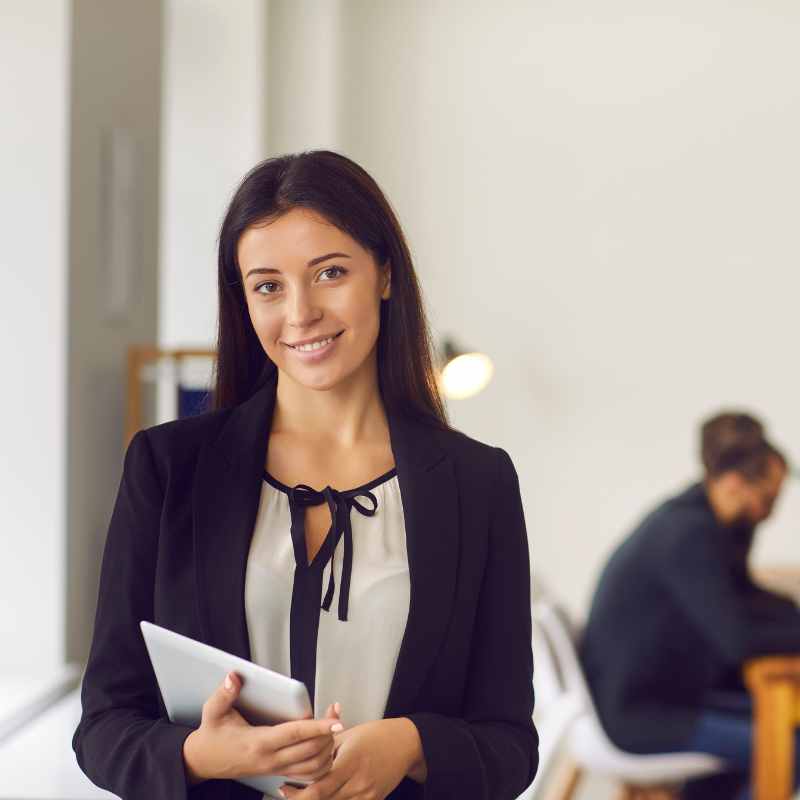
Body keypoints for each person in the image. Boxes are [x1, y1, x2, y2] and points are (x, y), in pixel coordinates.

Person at [72, 150, 538, 800]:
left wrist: (409, 746)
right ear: (244, 301)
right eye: (268, 286)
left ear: (384, 274)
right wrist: (199, 755)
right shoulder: (169, 467)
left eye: (330, 273)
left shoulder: (476, 482)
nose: (301, 312)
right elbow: (103, 727)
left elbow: (510, 745)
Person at [580, 411, 800, 798]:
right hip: (642, 714)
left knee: (784, 729)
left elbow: (742, 598)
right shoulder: (688, 536)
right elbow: (738, 639)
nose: (770, 512)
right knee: (787, 745)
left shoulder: (706, 522)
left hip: (667, 696)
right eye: (767, 498)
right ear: (733, 483)